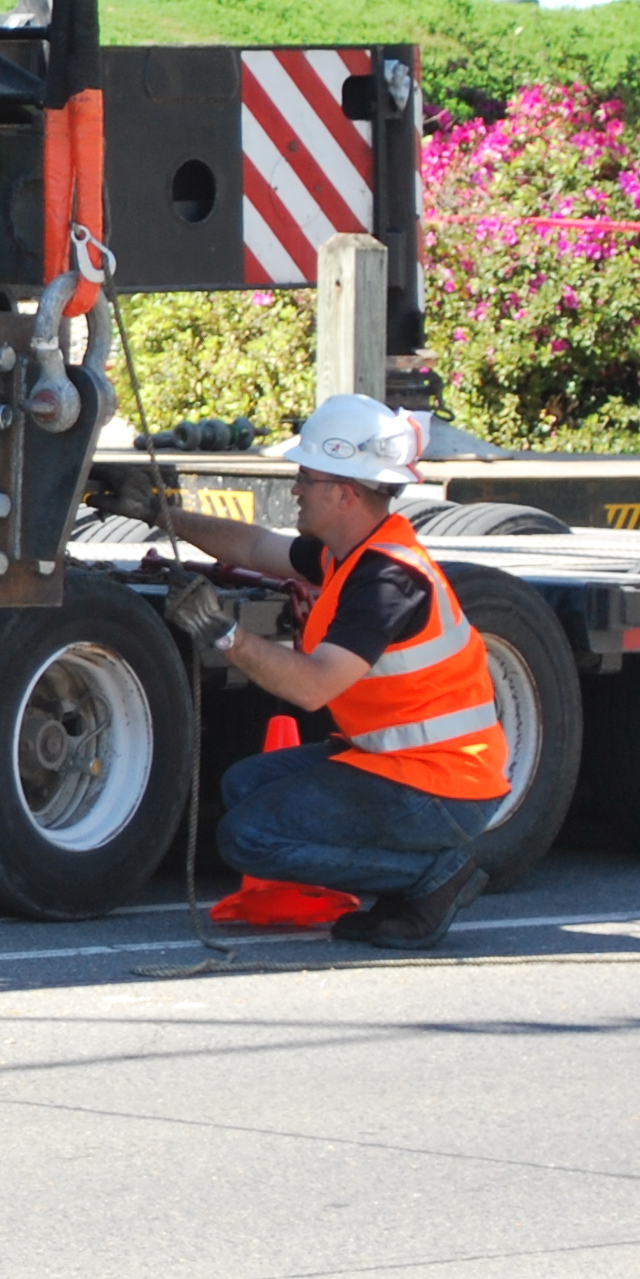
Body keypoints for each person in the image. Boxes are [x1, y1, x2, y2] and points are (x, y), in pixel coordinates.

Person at [143, 393, 509, 948]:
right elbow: (253, 545)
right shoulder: (351, 554)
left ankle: (431, 878)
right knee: (244, 785)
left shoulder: (387, 582)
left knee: (246, 839)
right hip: (409, 765)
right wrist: (159, 514)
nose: (295, 489)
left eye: (305, 477)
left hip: (443, 786)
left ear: (344, 493)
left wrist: (223, 633)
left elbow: (312, 687)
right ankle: (414, 882)